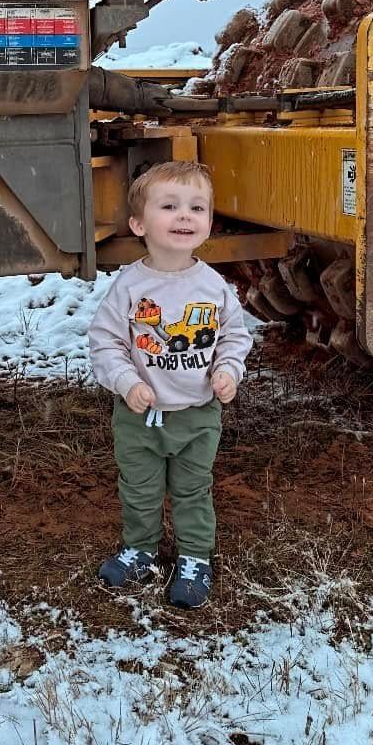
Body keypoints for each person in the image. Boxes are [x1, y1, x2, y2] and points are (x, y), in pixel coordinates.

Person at [88, 160, 252, 608]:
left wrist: (227, 370)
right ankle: (140, 549)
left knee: (192, 489)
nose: (185, 216)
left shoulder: (213, 287)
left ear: (209, 223)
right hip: (138, 416)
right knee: (139, 487)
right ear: (138, 223)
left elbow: (235, 336)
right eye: (170, 206)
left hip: (198, 416)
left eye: (197, 207)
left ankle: (195, 558)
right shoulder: (129, 287)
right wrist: (125, 381)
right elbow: (105, 341)